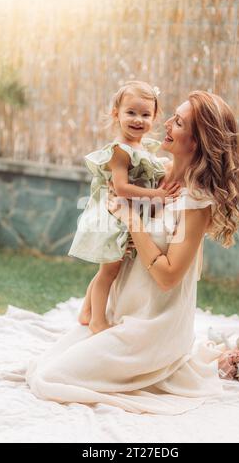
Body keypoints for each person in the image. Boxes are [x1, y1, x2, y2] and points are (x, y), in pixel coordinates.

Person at [25, 90, 239, 416]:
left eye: (179, 122)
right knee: (47, 365)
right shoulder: (155, 172)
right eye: (173, 116)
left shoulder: (197, 201)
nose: (166, 123)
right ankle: (187, 358)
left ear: (196, 141)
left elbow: (169, 276)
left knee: (50, 379)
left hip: (154, 323)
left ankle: (173, 362)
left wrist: (131, 220)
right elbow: (111, 197)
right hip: (123, 310)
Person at [68, 80, 181, 334]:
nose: (138, 120)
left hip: (127, 215)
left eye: (145, 114)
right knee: (109, 272)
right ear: (116, 113)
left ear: (154, 117)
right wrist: (159, 195)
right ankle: (97, 320)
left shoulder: (142, 147)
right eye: (131, 112)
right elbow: (121, 188)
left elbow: (150, 168)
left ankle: (86, 311)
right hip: (115, 216)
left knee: (109, 269)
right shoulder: (120, 151)